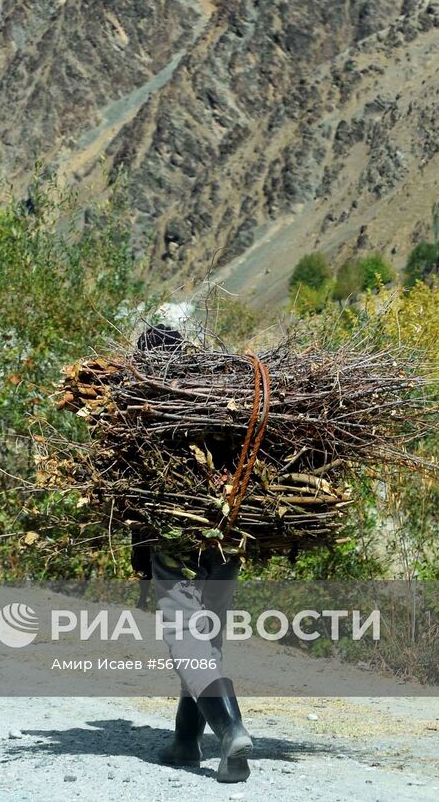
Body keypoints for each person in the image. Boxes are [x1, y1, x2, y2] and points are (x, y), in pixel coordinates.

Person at [132, 324, 253, 783]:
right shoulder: (221, 397)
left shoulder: (146, 402)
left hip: (176, 539)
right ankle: (186, 741)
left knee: (185, 633)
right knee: (207, 636)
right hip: (228, 533)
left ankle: (229, 729)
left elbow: (136, 491)